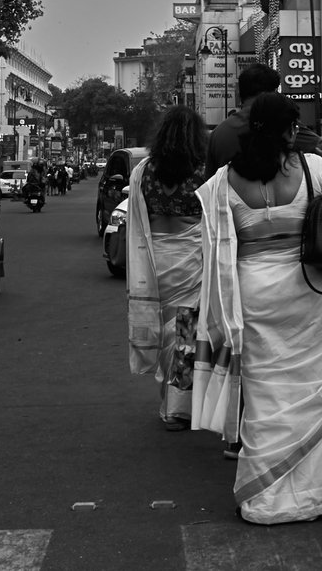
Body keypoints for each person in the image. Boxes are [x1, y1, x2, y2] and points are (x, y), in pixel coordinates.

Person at [193, 92, 322, 524]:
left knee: (264, 393)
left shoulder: (223, 181)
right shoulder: (315, 168)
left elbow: (209, 248)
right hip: (309, 292)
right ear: (291, 132)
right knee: (311, 388)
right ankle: (313, 495)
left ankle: (263, 499)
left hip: (252, 293)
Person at [126, 105, 209, 430]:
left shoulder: (144, 171)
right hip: (191, 261)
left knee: (162, 333)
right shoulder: (204, 173)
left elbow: (136, 216)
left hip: (152, 260)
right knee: (184, 333)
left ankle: (169, 398)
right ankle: (176, 408)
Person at [205, 63, 281, 176]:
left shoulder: (218, 134)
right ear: (271, 94)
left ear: (238, 93)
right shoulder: (284, 125)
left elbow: (210, 184)